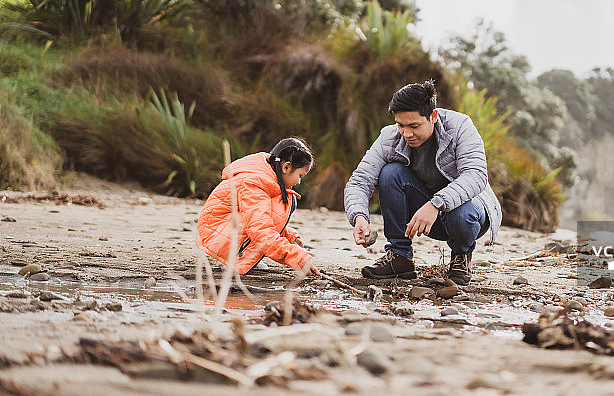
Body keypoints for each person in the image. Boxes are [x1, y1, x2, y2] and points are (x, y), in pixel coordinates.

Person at [344, 80, 502, 285]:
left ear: (433, 116)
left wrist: (436, 204)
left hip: (468, 214)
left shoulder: (460, 126)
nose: (406, 133)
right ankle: (399, 256)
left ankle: (461, 257)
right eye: (401, 125)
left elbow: (476, 175)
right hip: (424, 217)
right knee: (390, 173)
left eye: (414, 126)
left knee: (461, 212)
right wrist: (358, 216)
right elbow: (359, 181)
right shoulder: (389, 137)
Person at [197, 137, 320, 276]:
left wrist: (288, 236)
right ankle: (232, 258)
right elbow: (260, 228)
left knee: (289, 199)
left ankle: (244, 257)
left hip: (226, 229)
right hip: (217, 234)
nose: (299, 182)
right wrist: (297, 257)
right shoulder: (254, 183)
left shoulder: (267, 179)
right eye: (300, 175)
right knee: (281, 205)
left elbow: (261, 218)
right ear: (286, 167)